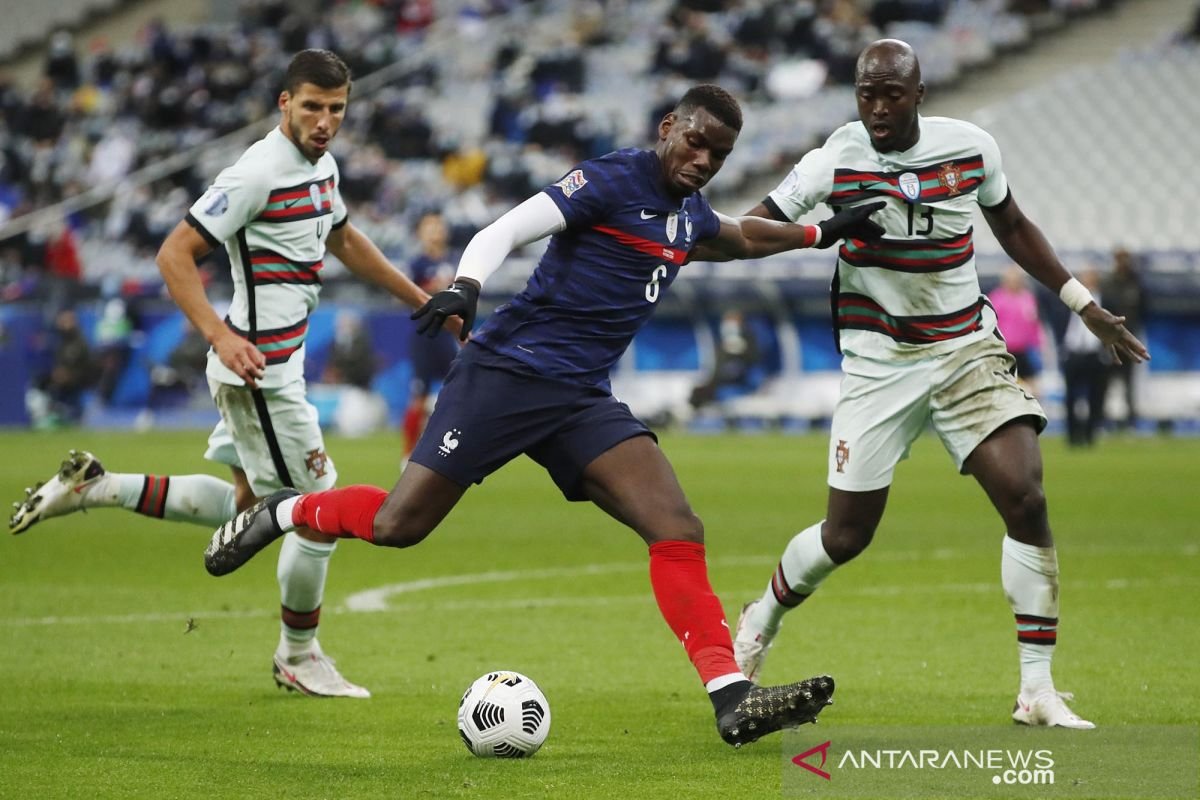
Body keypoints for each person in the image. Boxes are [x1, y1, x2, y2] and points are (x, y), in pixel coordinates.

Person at [204, 84, 887, 746]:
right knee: (398, 525)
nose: (703, 160)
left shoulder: (690, 213)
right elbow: (508, 227)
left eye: (718, 155)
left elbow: (740, 236)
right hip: (506, 375)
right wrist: (467, 285)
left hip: (580, 396)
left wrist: (821, 230)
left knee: (675, 524)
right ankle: (287, 511)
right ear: (669, 128)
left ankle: (731, 696)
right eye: (696, 142)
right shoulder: (611, 180)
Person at [727, 40, 1148, 730]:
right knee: (846, 536)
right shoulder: (835, 159)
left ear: (920, 93)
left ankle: (1036, 690)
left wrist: (1083, 304)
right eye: (867, 95)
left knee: (1026, 494)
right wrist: (819, 230)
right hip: (878, 363)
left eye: (892, 95)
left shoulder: (971, 149)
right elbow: (750, 230)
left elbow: (1010, 223)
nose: (879, 109)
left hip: (963, 350)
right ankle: (761, 617)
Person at [9, 49, 440, 699]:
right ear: (284, 103)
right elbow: (174, 253)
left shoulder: (320, 165)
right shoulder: (258, 171)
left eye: (336, 109)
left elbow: (344, 239)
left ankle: (95, 487)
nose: (325, 121)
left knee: (249, 505)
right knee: (317, 507)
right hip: (259, 369)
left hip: (276, 362)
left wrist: (421, 300)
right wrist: (220, 333)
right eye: (312, 106)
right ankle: (298, 653)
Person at [402, 211, 459, 459]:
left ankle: (451, 448)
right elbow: (408, 294)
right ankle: (409, 454)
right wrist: (434, 289)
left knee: (457, 391)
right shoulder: (417, 264)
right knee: (419, 396)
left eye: (439, 226)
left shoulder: (455, 261)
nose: (436, 231)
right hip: (425, 334)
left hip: (448, 335)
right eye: (430, 227)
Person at [1061, 269, 1109, 447]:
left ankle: (1090, 435)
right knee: (1071, 397)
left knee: (1095, 397)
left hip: (1095, 354)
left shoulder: (1105, 300)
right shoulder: (1069, 300)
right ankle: (1072, 436)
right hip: (1073, 352)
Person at [1100, 248, 1146, 431]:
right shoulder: (1108, 284)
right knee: (1105, 381)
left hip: (1130, 338)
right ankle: (1102, 420)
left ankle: (1130, 421)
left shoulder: (1136, 283)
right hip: (1109, 339)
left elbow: (1144, 309)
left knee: (1129, 381)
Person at [988, 265, 1043, 396]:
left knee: (1031, 387)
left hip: (1025, 351)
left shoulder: (1027, 298)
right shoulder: (996, 298)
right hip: (1004, 351)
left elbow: (1034, 324)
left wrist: (1038, 345)